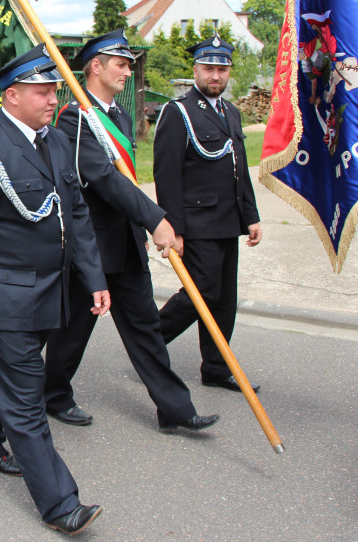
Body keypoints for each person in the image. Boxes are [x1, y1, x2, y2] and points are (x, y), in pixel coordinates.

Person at [0, 44, 109, 535]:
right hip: (4, 300)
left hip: (50, 293)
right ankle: (60, 503)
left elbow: (75, 214)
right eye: (42, 90)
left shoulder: (54, 141)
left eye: (53, 88)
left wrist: (93, 279)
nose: (51, 97)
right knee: (26, 397)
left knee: (10, 382)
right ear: (11, 96)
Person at [44, 30, 220, 432]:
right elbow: (104, 178)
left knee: (145, 329)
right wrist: (156, 219)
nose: (128, 71)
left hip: (126, 243)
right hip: (92, 246)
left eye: (128, 64)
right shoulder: (73, 118)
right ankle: (53, 394)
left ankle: (175, 409)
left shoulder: (121, 117)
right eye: (120, 64)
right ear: (96, 67)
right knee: (73, 332)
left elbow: (128, 182)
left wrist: (145, 223)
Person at [154, 35, 262, 392]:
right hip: (197, 223)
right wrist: (174, 227)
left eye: (222, 69)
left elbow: (239, 168)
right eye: (209, 68)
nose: (215, 75)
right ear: (196, 70)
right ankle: (148, 344)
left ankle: (216, 367)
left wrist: (251, 217)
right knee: (200, 293)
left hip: (227, 222)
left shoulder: (231, 111)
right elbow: (167, 174)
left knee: (223, 298)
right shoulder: (178, 111)